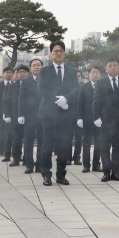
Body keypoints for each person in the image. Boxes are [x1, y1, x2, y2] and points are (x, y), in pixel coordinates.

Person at [37, 41, 79, 186]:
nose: (58, 53)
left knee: (64, 145)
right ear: (51, 53)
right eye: (55, 51)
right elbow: (42, 89)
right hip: (49, 113)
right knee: (47, 145)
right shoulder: (44, 71)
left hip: (66, 113)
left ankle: (61, 174)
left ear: (65, 53)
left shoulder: (72, 71)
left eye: (61, 51)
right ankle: (46, 174)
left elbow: (76, 88)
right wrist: (58, 100)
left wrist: (66, 98)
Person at [93, 58, 119, 183]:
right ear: (106, 68)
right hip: (105, 121)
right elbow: (97, 101)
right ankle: (106, 172)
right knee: (104, 148)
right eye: (110, 66)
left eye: (115, 65)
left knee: (117, 148)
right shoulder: (101, 82)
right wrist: (96, 117)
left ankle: (116, 172)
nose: (113, 68)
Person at [18, 59, 44, 174]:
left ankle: (39, 164)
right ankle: (29, 165)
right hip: (29, 115)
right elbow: (21, 98)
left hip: (43, 114)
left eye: (38, 65)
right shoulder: (26, 81)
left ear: (42, 67)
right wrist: (20, 114)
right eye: (34, 65)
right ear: (31, 68)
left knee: (42, 141)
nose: (36, 67)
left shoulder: (47, 80)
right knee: (28, 141)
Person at [77, 66, 103, 173]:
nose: (95, 74)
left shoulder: (103, 86)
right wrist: (79, 118)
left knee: (99, 143)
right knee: (86, 143)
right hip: (87, 119)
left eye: (97, 72)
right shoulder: (84, 87)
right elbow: (80, 103)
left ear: (100, 74)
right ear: (89, 75)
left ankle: (96, 165)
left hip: (100, 120)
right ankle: (86, 165)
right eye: (93, 72)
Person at [4, 65, 28, 166]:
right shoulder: (11, 86)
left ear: (28, 73)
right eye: (20, 72)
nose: (22, 73)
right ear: (16, 74)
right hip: (14, 116)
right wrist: (7, 114)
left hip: (28, 117)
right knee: (16, 139)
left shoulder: (33, 85)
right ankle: (16, 158)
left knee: (28, 139)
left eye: (24, 71)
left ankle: (27, 158)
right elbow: (7, 101)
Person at [0, 67, 13, 156]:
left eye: (10, 72)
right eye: (6, 72)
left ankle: (9, 151)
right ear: (3, 74)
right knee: (1, 132)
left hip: (11, 113)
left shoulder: (14, 84)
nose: (8, 74)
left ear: (13, 74)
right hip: (0, 112)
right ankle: (1, 150)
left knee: (10, 133)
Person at [2, 69, 19, 162]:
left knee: (17, 138)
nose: (17, 75)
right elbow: (5, 101)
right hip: (11, 115)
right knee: (9, 136)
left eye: (18, 73)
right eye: (16, 73)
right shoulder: (9, 86)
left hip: (20, 115)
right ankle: (7, 154)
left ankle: (18, 155)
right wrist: (5, 113)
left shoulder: (23, 85)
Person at [68, 70, 84, 165]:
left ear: (81, 77)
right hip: (69, 116)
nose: (77, 78)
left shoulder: (84, 87)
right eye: (75, 76)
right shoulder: (68, 89)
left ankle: (77, 157)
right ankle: (68, 157)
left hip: (80, 117)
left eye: (78, 76)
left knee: (79, 138)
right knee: (68, 138)